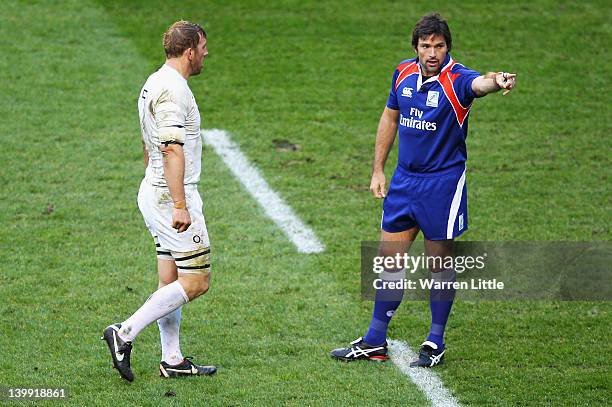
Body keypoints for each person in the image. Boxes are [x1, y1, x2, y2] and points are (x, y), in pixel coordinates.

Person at [330, 13, 516, 367]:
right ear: (415, 47)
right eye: (426, 46)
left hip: (442, 185)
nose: (433, 52)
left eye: (440, 46)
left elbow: (481, 84)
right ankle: (374, 339)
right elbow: (390, 117)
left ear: (448, 47)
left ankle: (435, 340)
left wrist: (498, 80)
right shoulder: (402, 73)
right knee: (388, 261)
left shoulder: (458, 80)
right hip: (404, 181)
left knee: (439, 265)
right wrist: (377, 170)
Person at [102, 20, 216, 381]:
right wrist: (179, 203)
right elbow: (169, 147)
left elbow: (146, 143)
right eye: (202, 47)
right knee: (197, 280)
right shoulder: (173, 90)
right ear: (188, 52)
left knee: (170, 278)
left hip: (154, 189)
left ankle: (173, 359)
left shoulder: (155, 81)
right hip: (170, 196)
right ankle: (123, 333)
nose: (206, 54)